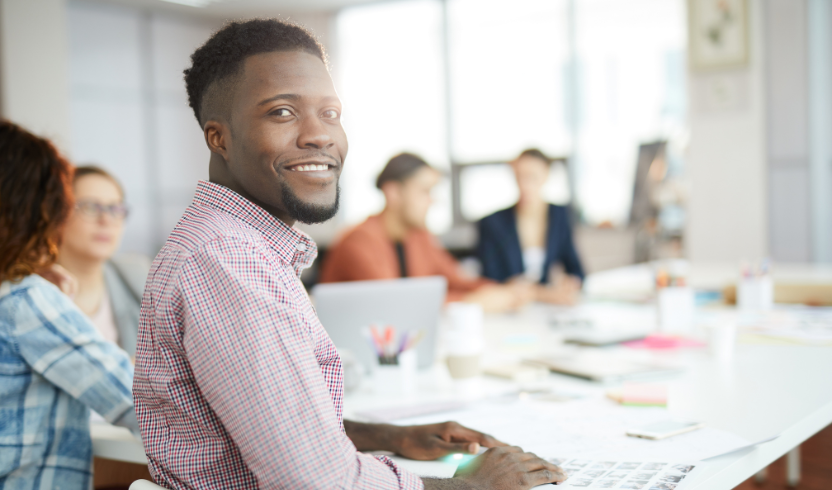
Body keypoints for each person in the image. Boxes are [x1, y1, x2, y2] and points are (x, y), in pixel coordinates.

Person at [133, 19, 565, 490]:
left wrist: (385, 436)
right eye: (281, 112)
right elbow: (319, 483)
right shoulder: (227, 261)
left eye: (331, 113)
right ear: (219, 138)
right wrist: (471, 486)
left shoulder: (241, 247)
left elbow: (263, 426)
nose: (320, 136)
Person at [0, 120, 139, 488]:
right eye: (85, 205)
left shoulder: (26, 294)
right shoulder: (24, 300)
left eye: (116, 208)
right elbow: (139, 401)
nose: (106, 219)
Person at [320, 153, 532, 313]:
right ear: (393, 193)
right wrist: (470, 303)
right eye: (425, 191)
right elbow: (397, 307)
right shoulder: (358, 242)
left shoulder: (418, 236)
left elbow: (457, 279)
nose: (433, 201)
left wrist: (504, 291)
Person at [57, 166, 150, 357]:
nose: (107, 219)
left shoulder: (138, 275)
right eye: (90, 207)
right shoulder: (32, 292)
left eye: (116, 209)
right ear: (56, 215)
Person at [477, 149, 585, 305]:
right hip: (511, 308)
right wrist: (543, 294)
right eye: (519, 177)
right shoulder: (493, 223)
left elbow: (576, 270)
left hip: (549, 308)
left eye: (532, 177)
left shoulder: (560, 215)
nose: (525, 185)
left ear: (546, 175)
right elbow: (491, 280)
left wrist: (570, 283)